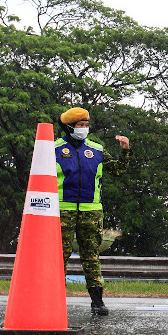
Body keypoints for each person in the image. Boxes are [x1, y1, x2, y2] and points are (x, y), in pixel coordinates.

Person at [55, 107, 131, 315]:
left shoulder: (96, 149)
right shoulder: (54, 149)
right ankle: (55, 299)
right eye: (80, 125)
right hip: (63, 211)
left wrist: (125, 150)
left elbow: (118, 170)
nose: (84, 129)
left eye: (86, 125)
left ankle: (97, 301)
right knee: (59, 256)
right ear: (69, 127)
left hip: (91, 211)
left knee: (91, 256)